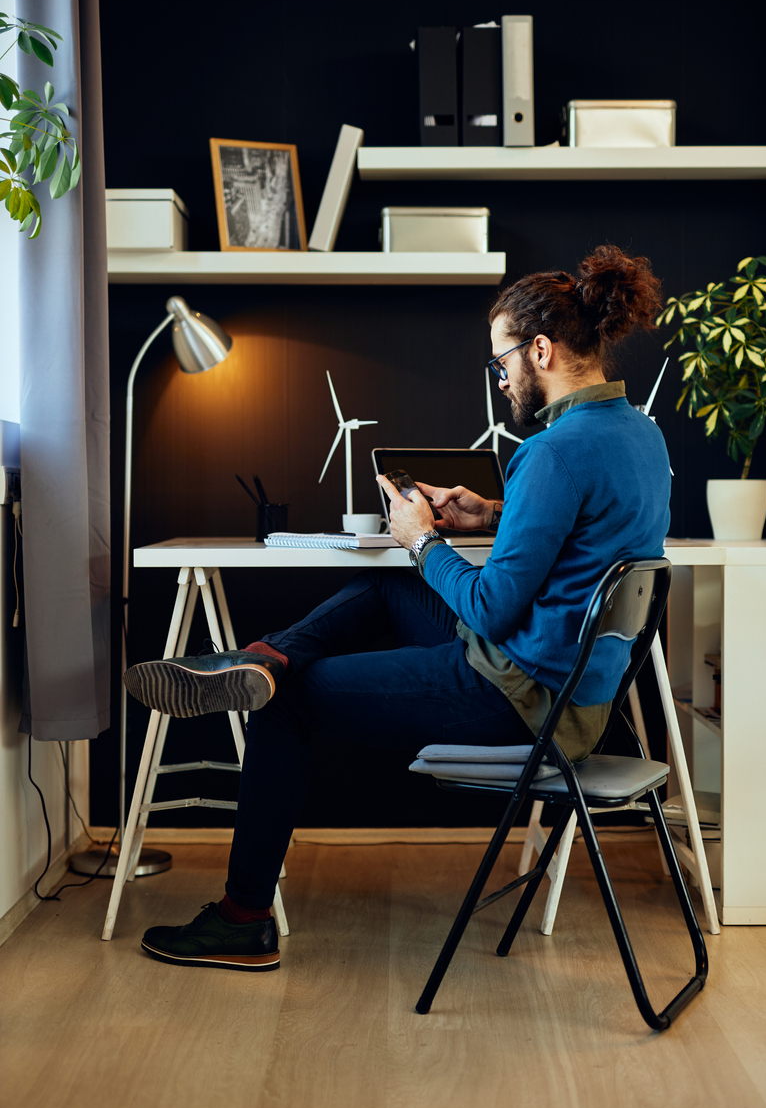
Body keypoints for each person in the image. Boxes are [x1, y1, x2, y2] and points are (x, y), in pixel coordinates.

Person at [124, 244, 671, 972]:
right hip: (577, 691)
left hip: (516, 691)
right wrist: (491, 513)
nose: (501, 376)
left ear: (540, 349)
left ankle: (244, 919)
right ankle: (264, 655)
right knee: (387, 590)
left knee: (284, 706)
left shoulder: (554, 451)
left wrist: (420, 540)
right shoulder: (639, 435)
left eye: (501, 359)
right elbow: (586, 533)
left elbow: (491, 609)